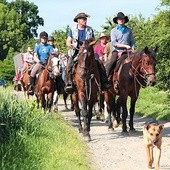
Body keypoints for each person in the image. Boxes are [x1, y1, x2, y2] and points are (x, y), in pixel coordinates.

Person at [65, 12, 111, 93]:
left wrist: (90, 44)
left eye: (85, 19)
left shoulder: (90, 29)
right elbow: (68, 41)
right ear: (78, 20)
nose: (85, 20)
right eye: (83, 19)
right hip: (76, 51)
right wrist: (71, 45)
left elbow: (93, 40)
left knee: (99, 62)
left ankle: (104, 83)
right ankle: (69, 83)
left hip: (88, 51)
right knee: (69, 64)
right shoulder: (72, 29)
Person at [106, 12, 135, 77]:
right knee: (112, 62)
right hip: (117, 50)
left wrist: (133, 48)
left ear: (124, 20)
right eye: (119, 19)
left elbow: (132, 41)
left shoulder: (129, 30)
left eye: (122, 19)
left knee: (138, 61)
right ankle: (107, 77)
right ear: (117, 20)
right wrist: (125, 46)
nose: (121, 20)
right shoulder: (113, 31)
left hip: (128, 51)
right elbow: (114, 43)